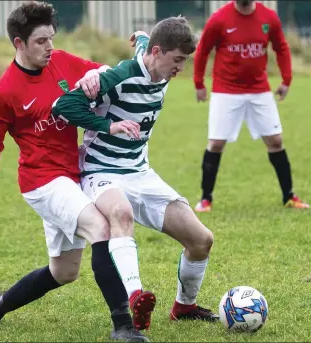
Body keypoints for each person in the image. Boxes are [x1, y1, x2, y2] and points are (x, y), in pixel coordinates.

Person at [0, 2, 150, 341]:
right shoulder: (5, 91)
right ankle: (124, 326)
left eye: (51, 38)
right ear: (19, 43)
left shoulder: (63, 61)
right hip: (42, 182)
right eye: (40, 41)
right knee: (101, 227)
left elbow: (104, 70)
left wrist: (98, 72)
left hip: (72, 174)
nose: (49, 47)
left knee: (64, 271)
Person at [52, 16, 219, 330]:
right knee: (122, 214)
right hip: (102, 171)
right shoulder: (118, 78)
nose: (180, 68)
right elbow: (63, 106)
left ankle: (185, 307)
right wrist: (108, 125)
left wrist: (141, 35)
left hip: (140, 173)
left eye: (184, 61)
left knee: (201, 240)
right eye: (177, 60)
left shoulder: (160, 67)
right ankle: (135, 297)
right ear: (158, 52)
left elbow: (146, 44)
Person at [193, 0, 309, 212]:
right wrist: (199, 83)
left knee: (276, 141)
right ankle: (205, 199)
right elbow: (203, 50)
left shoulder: (269, 17)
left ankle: (289, 196)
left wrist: (286, 79)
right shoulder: (219, 19)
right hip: (225, 90)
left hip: (259, 90)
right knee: (216, 143)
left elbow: (281, 47)